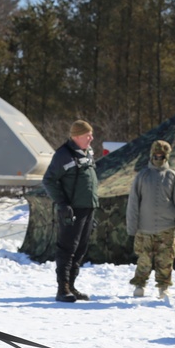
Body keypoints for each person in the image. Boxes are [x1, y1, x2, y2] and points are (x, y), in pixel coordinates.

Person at [42, 119, 99, 302]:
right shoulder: (63, 155)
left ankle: (72, 286)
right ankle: (62, 289)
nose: (91, 138)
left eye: (91, 134)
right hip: (71, 210)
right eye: (87, 135)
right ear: (76, 136)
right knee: (67, 248)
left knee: (80, 248)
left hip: (88, 208)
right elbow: (49, 180)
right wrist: (62, 203)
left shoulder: (88, 152)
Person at [126, 139, 175, 299]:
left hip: (167, 228)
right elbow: (133, 203)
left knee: (165, 260)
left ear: (167, 157)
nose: (158, 159)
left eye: (162, 156)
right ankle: (139, 284)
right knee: (144, 259)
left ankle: (164, 286)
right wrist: (131, 227)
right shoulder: (142, 176)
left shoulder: (173, 177)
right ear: (151, 155)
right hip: (144, 228)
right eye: (156, 156)